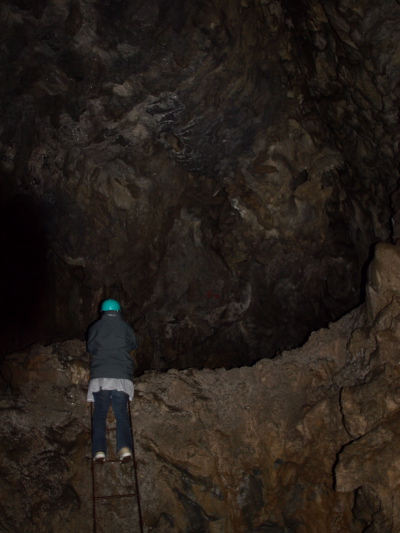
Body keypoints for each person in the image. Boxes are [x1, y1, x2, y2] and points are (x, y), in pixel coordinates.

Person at [87, 298, 137, 463]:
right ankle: (124, 449)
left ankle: (99, 451)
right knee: (121, 413)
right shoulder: (126, 328)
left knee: (100, 413)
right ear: (118, 312)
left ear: (102, 311)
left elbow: (91, 348)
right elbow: (132, 345)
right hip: (122, 376)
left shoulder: (95, 327)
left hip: (101, 376)